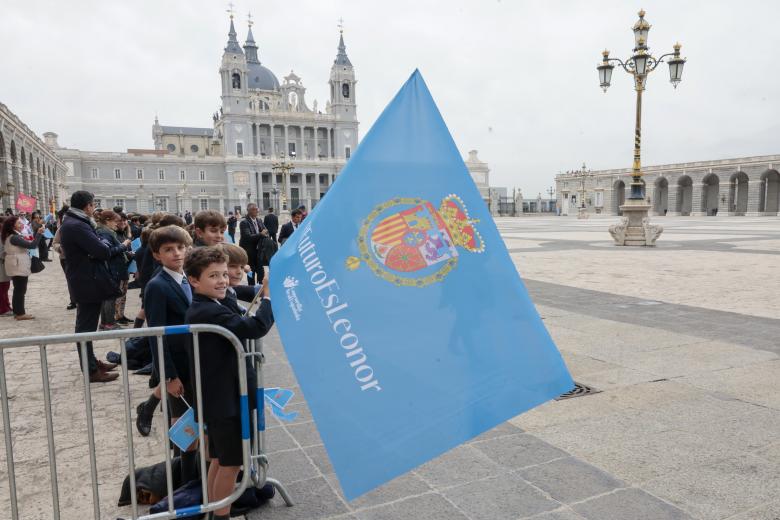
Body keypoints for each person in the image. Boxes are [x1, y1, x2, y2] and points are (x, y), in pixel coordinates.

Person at [184, 246, 273, 520]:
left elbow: (238, 308)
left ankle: (215, 509)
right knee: (232, 463)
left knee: (220, 460)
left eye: (224, 274)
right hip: (225, 401)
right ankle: (221, 514)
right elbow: (253, 327)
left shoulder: (214, 303)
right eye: (214, 276)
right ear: (194, 281)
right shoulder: (207, 311)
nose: (223, 280)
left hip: (222, 397)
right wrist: (268, 299)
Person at [59, 191, 130, 383]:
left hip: (87, 278)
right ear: (88, 206)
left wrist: (100, 245)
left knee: (87, 326)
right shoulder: (77, 225)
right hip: (87, 281)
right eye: (93, 205)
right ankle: (90, 370)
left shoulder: (75, 222)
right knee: (85, 328)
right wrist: (103, 244)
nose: (93, 209)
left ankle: (91, 362)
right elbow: (102, 251)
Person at [135, 226, 193, 435]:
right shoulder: (157, 286)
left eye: (180, 247)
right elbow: (156, 333)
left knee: (193, 414)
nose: (176, 253)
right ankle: (180, 462)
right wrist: (168, 376)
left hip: (193, 357)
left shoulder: (190, 277)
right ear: (157, 255)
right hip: (177, 361)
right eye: (168, 249)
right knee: (182, 417)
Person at [2, 215, 45, 320]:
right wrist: (39, 234)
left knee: (19, 289)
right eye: (19, 223)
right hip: (18, 265)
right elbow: (32, 245)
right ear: (13, 226)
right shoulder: (14, 237)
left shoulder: (13, 236)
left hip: (16, 264)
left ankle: (18, 312)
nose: (21, 225)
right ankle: (20, 313)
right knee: (20, 290)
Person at [95, 210, 131, 331]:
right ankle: (109, 323)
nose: (117, 224)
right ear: (107, 221)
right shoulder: (104, 232)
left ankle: (105, 323)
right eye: (116, 221)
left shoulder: (106, 231)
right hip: (112, 268)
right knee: (109, 297)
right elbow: (108, 252)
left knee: (108, 297)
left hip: (113, 267)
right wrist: (124, 245)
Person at [52, 205, 76, 310]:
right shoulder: (62, 229)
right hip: (65, 258)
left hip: (79, 257)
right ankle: (73, 300)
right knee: (70, 280)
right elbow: (55, 243)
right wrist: (60, 249)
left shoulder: (81, 226)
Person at [238, 203, 267, 284]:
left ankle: (260, 288)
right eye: (254, 209)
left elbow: (265, 230)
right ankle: (251, 289)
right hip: (249, 251)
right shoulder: (244, 222)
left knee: (261, 271)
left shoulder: (259, 220)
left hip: (259, 251)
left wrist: (264, 233)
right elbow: (248, 237)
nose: (257, 210)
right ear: (249, 211)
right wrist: (261, 234)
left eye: (257, 208)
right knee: (251, 272)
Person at [0, 216, 12, 317]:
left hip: (4, 265)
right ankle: (3, 309)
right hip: (1, 265)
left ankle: (6, 305)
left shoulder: (3, 235)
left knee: (5, 286)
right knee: (2, 287)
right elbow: (1, 252)